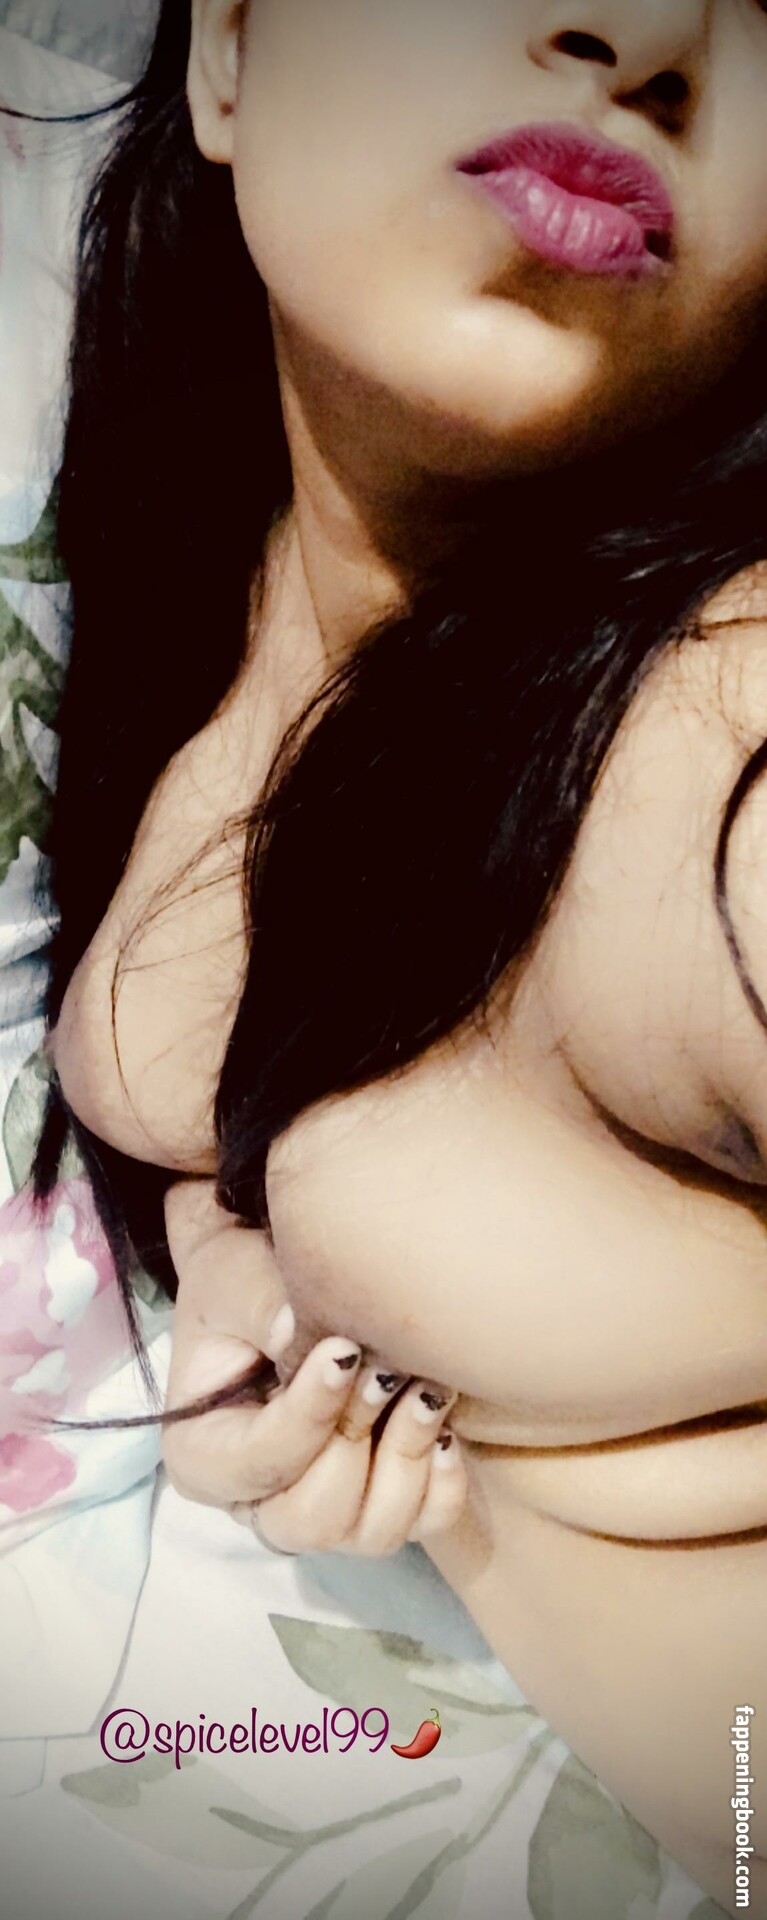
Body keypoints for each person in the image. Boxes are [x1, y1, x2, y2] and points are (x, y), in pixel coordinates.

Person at [36, 1, 767, 1911]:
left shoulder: (720, 757)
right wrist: (243, 1270)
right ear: (224, 54)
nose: (652, 33)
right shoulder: (214, 583)